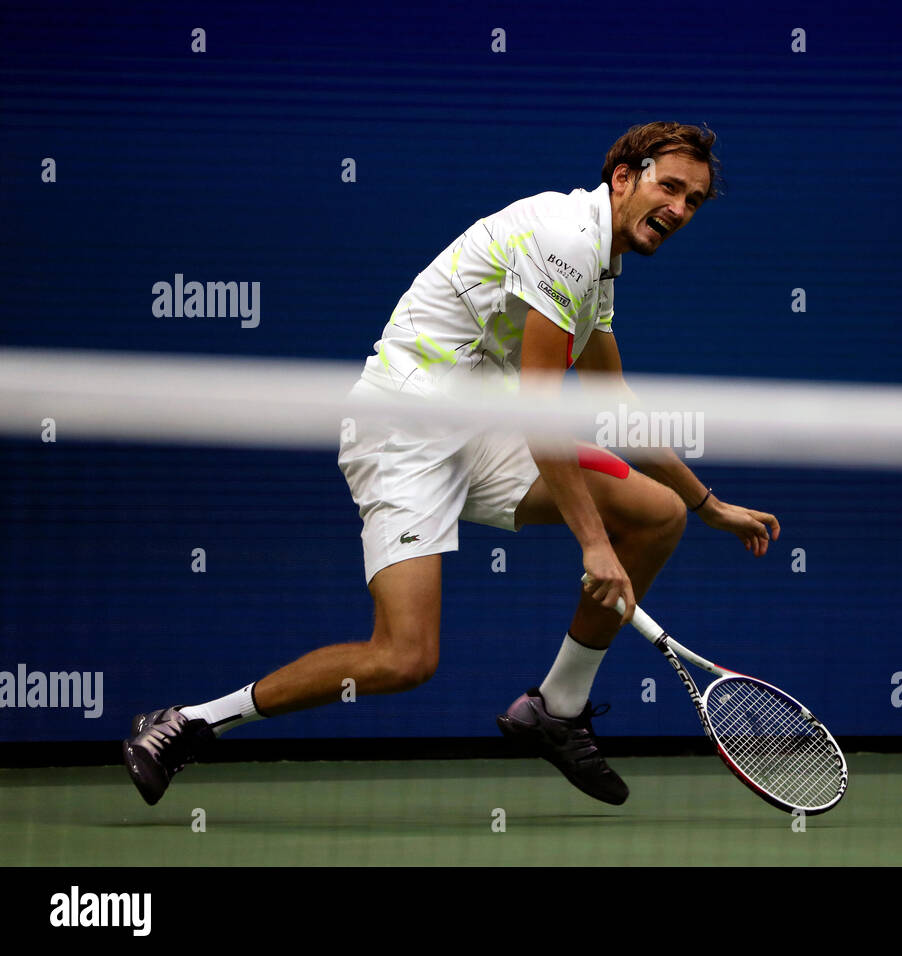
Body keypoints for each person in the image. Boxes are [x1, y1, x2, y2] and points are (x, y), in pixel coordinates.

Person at [123, 121, 779, 807]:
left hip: (479, 429)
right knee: (405, 659)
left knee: (658, 514)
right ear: (624, 178)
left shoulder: (599, 264)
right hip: (403, 432)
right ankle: (190, 722)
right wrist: (593, 544)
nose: (679, 209)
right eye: (669, 187)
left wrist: (709, 505)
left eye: (694, 201)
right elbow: (542, 411)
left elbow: (614, 403)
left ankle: (556, 707)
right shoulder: (566, 239)